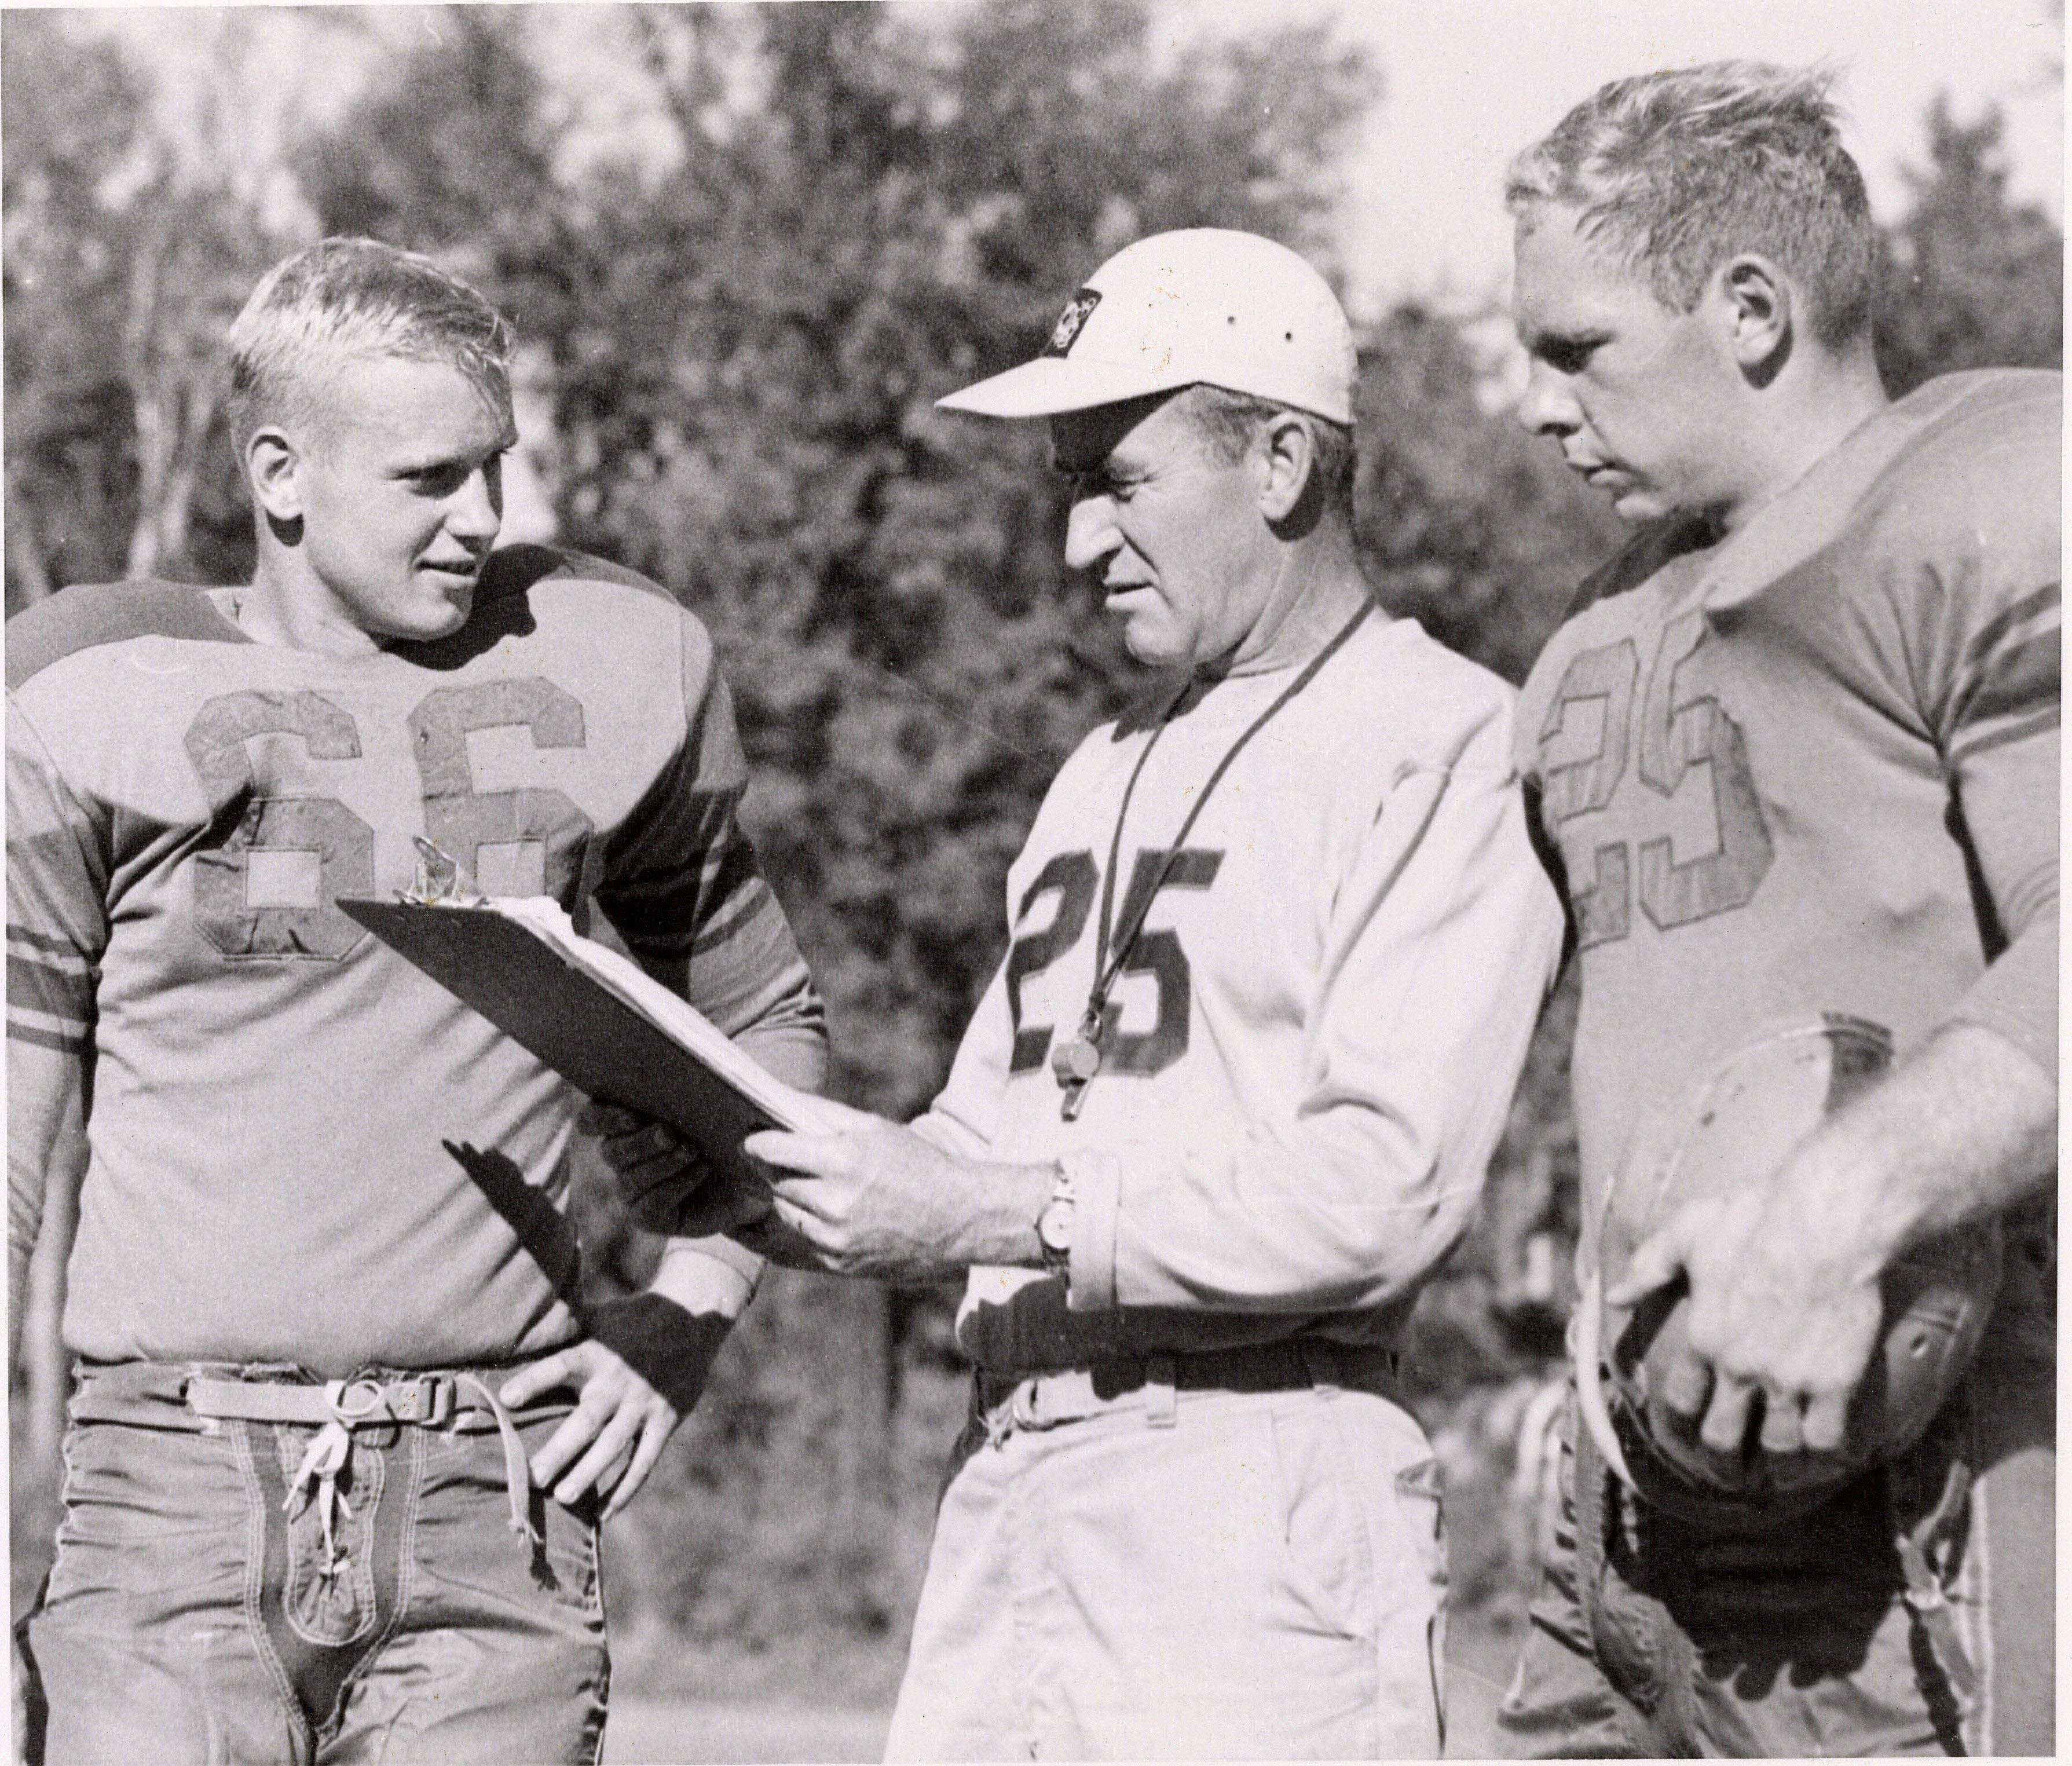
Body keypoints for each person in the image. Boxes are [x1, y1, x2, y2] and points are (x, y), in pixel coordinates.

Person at [602, 226, 1565, 1759]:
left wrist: (994, 1214)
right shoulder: (1105, 760)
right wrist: (743, 1175)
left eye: (1117, 478)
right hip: (1016, 1470)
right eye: (1069, 487)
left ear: (1280, 461)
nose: (1074, 542)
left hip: (1253, 1484)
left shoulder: (1445, 738)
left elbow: (1382, 1188)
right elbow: (972, 1140)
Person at [6, 237, 826, 1764]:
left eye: (497, 469)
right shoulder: (84, 682)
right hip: (163, 1491)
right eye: (430, 478)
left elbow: (768, 1023)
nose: (484, 519)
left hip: (493, 1496)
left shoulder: (613, 652)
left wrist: (692, 1309)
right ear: (280, 473)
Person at [1496, 63, 2057, 1757]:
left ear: (1747, 310)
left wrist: (1830, 1218)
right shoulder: (1596, 621)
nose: (1535, 405)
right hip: (1627, 1509)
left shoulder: (1988, 483)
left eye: (1573, 347)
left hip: (1916, 1511)